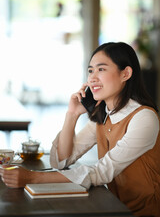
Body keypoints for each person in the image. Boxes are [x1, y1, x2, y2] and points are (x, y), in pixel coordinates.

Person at [0, 42, 159, 217]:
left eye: (101, 69)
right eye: (90, 70)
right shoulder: (102, 115)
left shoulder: (144, 118)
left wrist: (31, 178)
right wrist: (72, 114)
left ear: (126, 73)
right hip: (115, 207)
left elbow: (101, 172)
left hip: (145, 212)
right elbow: (61, 161)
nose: (92, 78)